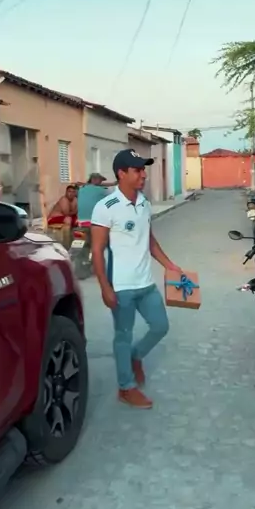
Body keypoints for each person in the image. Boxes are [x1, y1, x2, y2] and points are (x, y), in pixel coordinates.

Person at [91, 149, 182, 409]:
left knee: (160, 326)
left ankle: (136, 356)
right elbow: (97, 249)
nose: (144, 174)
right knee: (123, 335)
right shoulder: (106, 207)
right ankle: (126, 387)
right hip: (121, 287)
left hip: (145, 283)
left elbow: (149, 240)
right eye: (137, 170)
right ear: (121, 173)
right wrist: (105, 287)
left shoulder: (144, 203)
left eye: (144, 169)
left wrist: (169, 266)